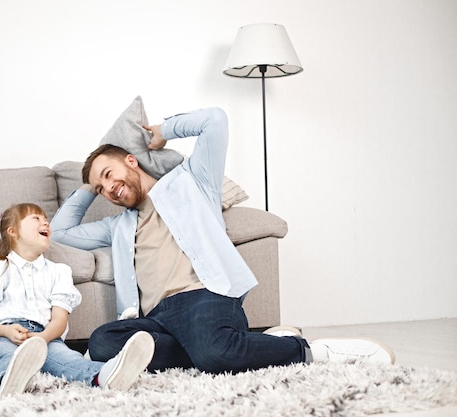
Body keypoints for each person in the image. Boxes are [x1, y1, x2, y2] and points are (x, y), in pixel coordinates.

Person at [50, 107, 396, 373]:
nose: (108, 188)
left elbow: (215, 120)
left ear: (131, 161)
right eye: (101, 188)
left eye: (109, 175)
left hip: (204, 298)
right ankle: (244, 344)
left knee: (213, 353)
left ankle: (309, 351)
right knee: (102, 342)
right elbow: (61, 232)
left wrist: (164, 131)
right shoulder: (118, 226)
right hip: (155, 317)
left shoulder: (192, 181)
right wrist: (87, 182)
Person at [0, 203, 155, 395]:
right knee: (6, 355)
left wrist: (43, 338)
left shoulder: (58, 272)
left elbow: (59, 319)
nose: (45, 222)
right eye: (36, 218)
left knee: (69, 360)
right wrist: (6, 331)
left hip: (47, 336)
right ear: (13, 232)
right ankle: (10, 381)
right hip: (4, 335)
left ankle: (105, 374)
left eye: (45, 218)